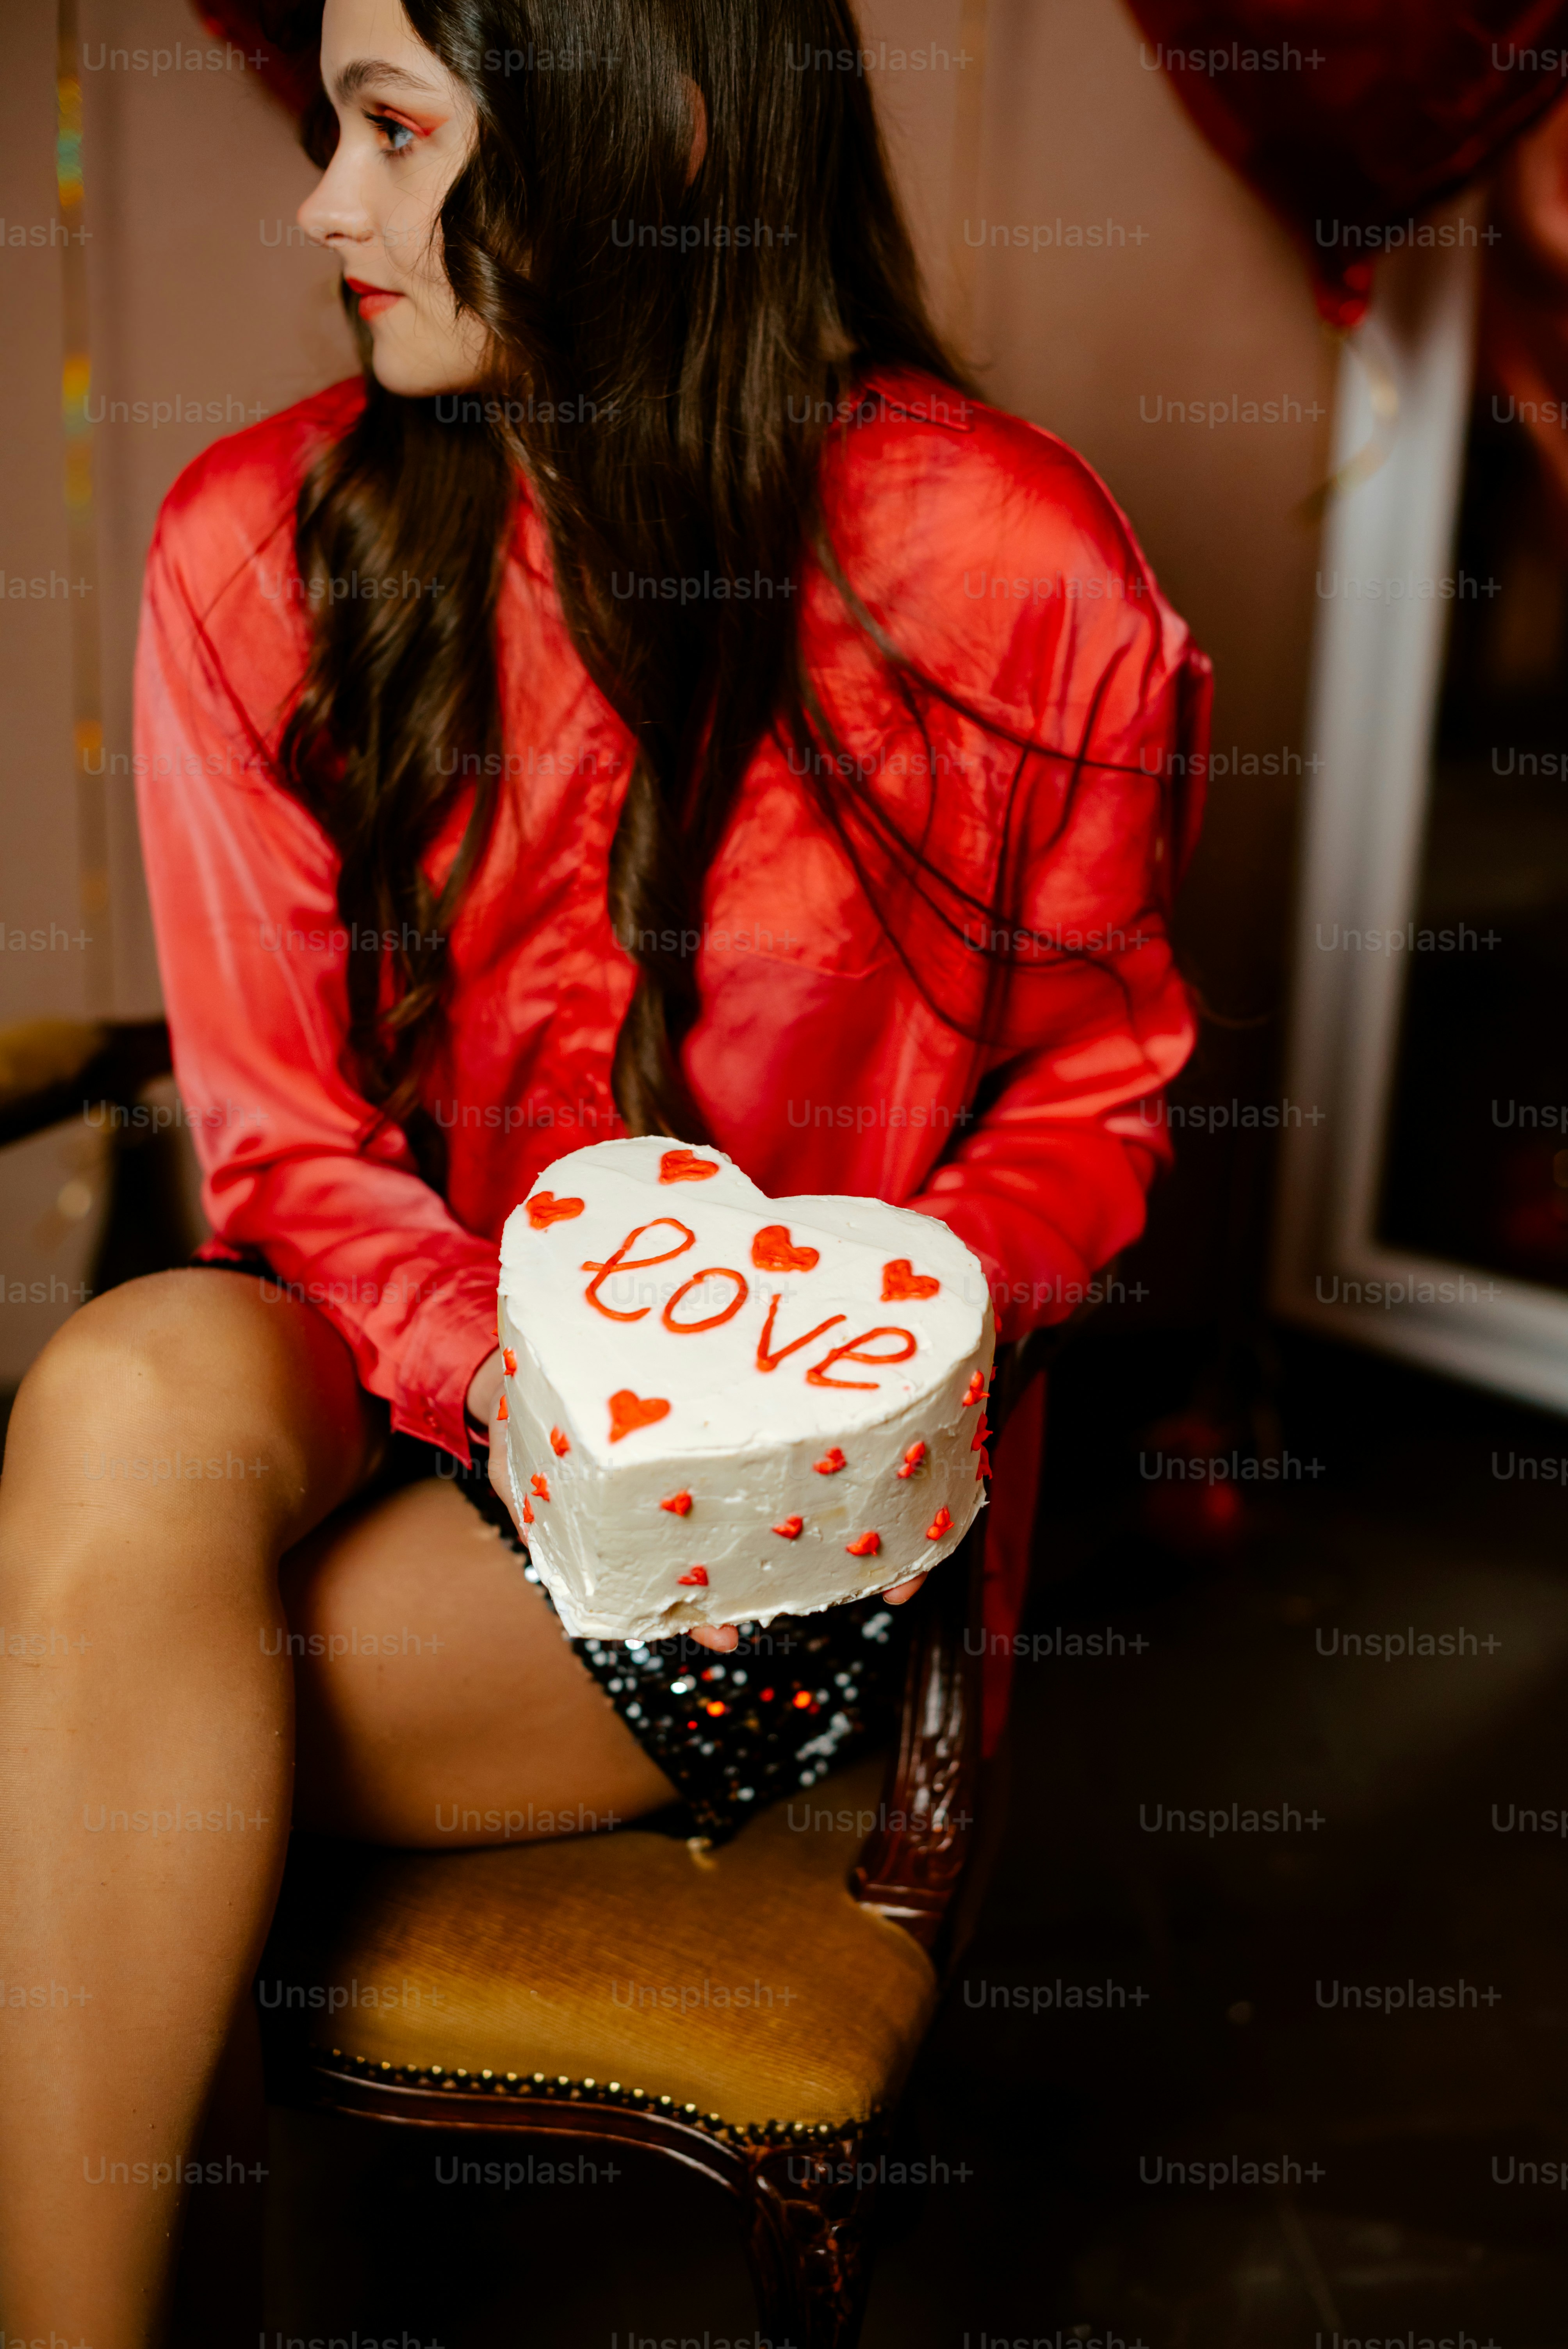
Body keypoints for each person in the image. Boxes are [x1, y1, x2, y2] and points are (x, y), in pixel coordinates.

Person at [0, 0, 1209, 2336]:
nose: (323, 208)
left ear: (640, 125)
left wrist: (796, 1372)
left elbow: (1090, 1104)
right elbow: (284, 1140)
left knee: (91, 1672)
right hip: (371, 1380)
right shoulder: (255, 540)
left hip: (744, 1528)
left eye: (388, 133)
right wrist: (520, 1376)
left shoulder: (1014, 564)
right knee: (129, 1396)